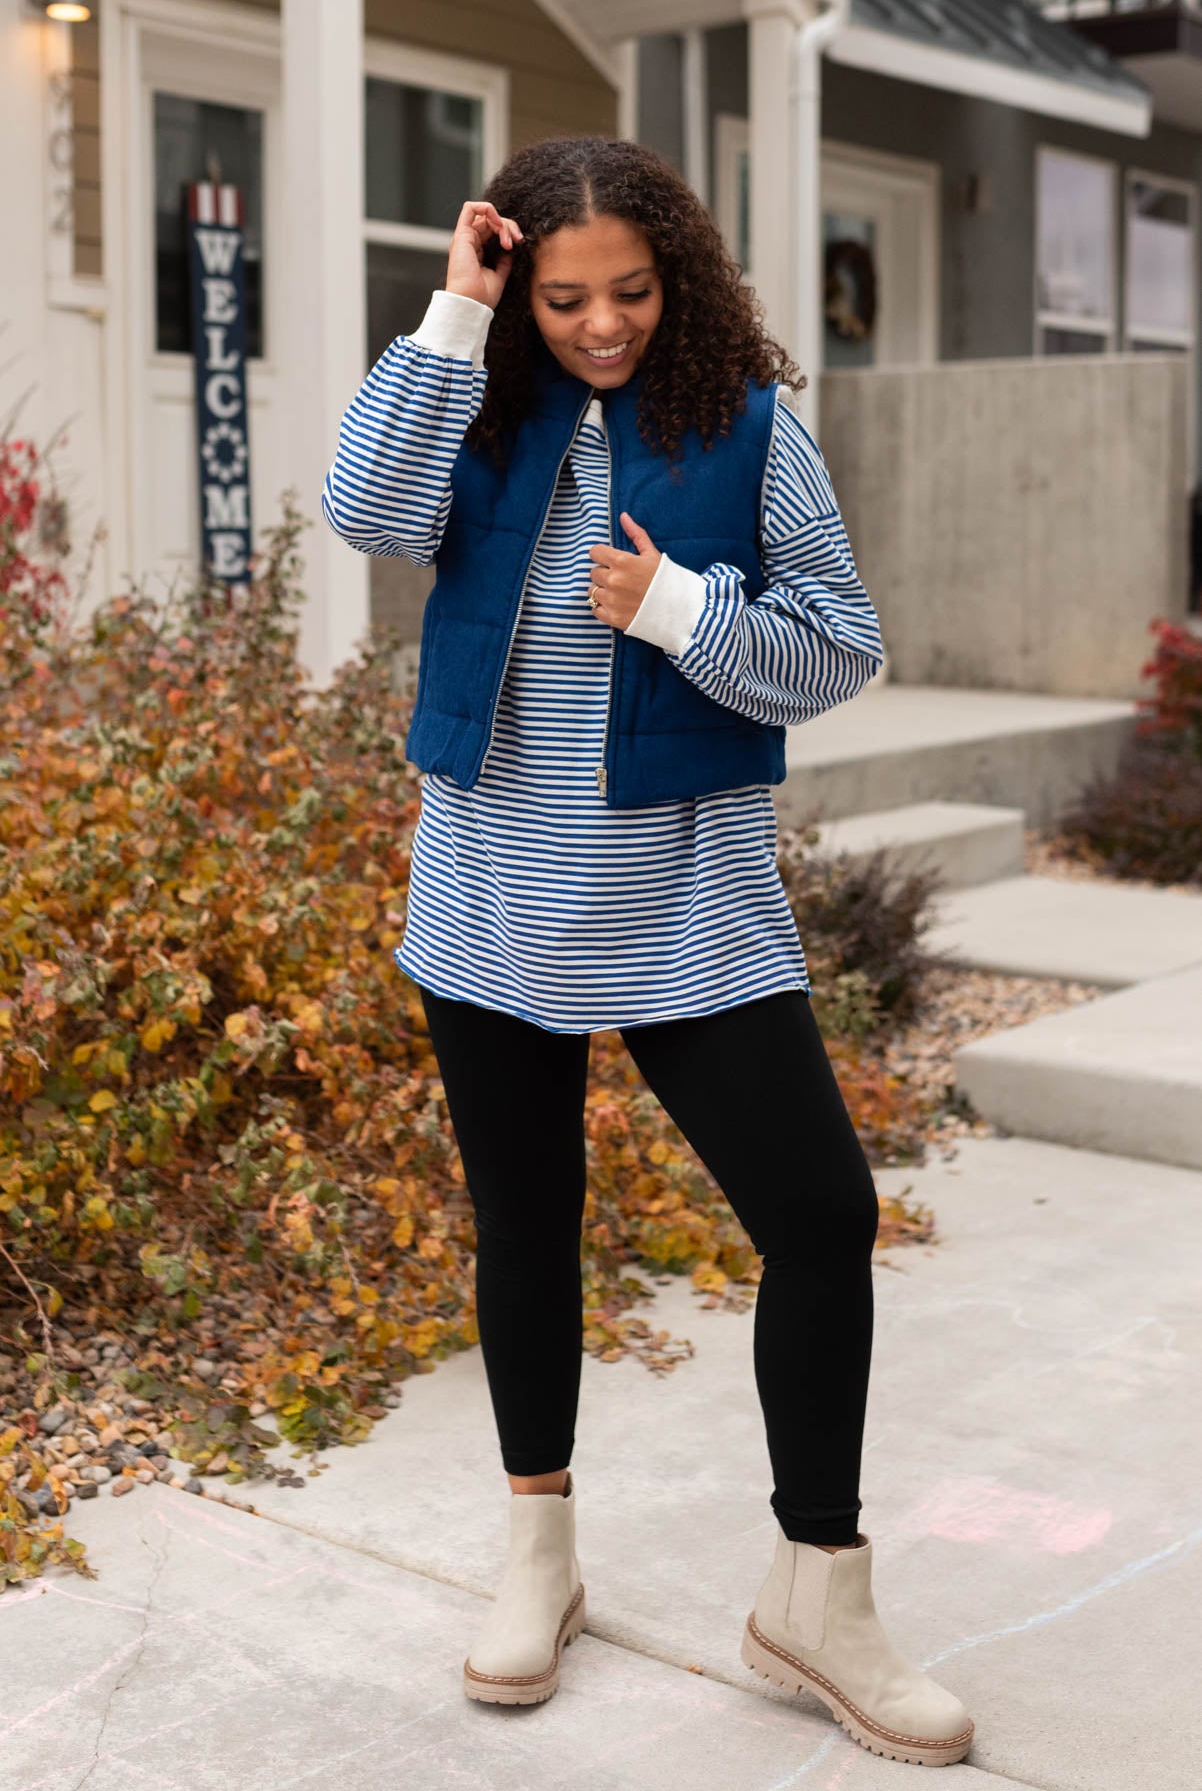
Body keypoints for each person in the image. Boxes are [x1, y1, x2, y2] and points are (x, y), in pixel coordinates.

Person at [323, 135, 973, 1768]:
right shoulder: (471, 400)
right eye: (562, 297)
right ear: (518, 283)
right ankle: (537, 1555)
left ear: (673, 277)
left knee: (819, 1217)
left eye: (628, 290)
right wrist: (456, 318)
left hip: (688, 907)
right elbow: (363, 512)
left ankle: (816, 1595)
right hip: (491, 893)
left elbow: (838, 649)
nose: (601, 323)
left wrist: (682, 611)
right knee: (528, 1231)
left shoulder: (749, 430)